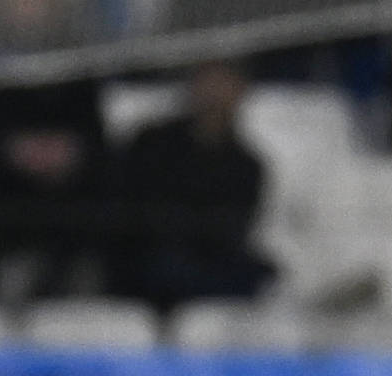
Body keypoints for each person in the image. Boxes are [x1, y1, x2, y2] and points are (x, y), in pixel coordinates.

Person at [0, 0, 112, 301]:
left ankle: (68, 278)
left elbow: (94, 134)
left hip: (64, 194)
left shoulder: (78, 58)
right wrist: (8, 153)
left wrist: (64, 152)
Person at [109, 60, 277, 315]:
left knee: (259, 273)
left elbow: (234, 228)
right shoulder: (151, 142)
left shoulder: (247, 164)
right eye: (209, 82)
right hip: (148, 255)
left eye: (225, 84)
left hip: (209, 260)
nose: (215, 93)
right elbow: (131, 208)